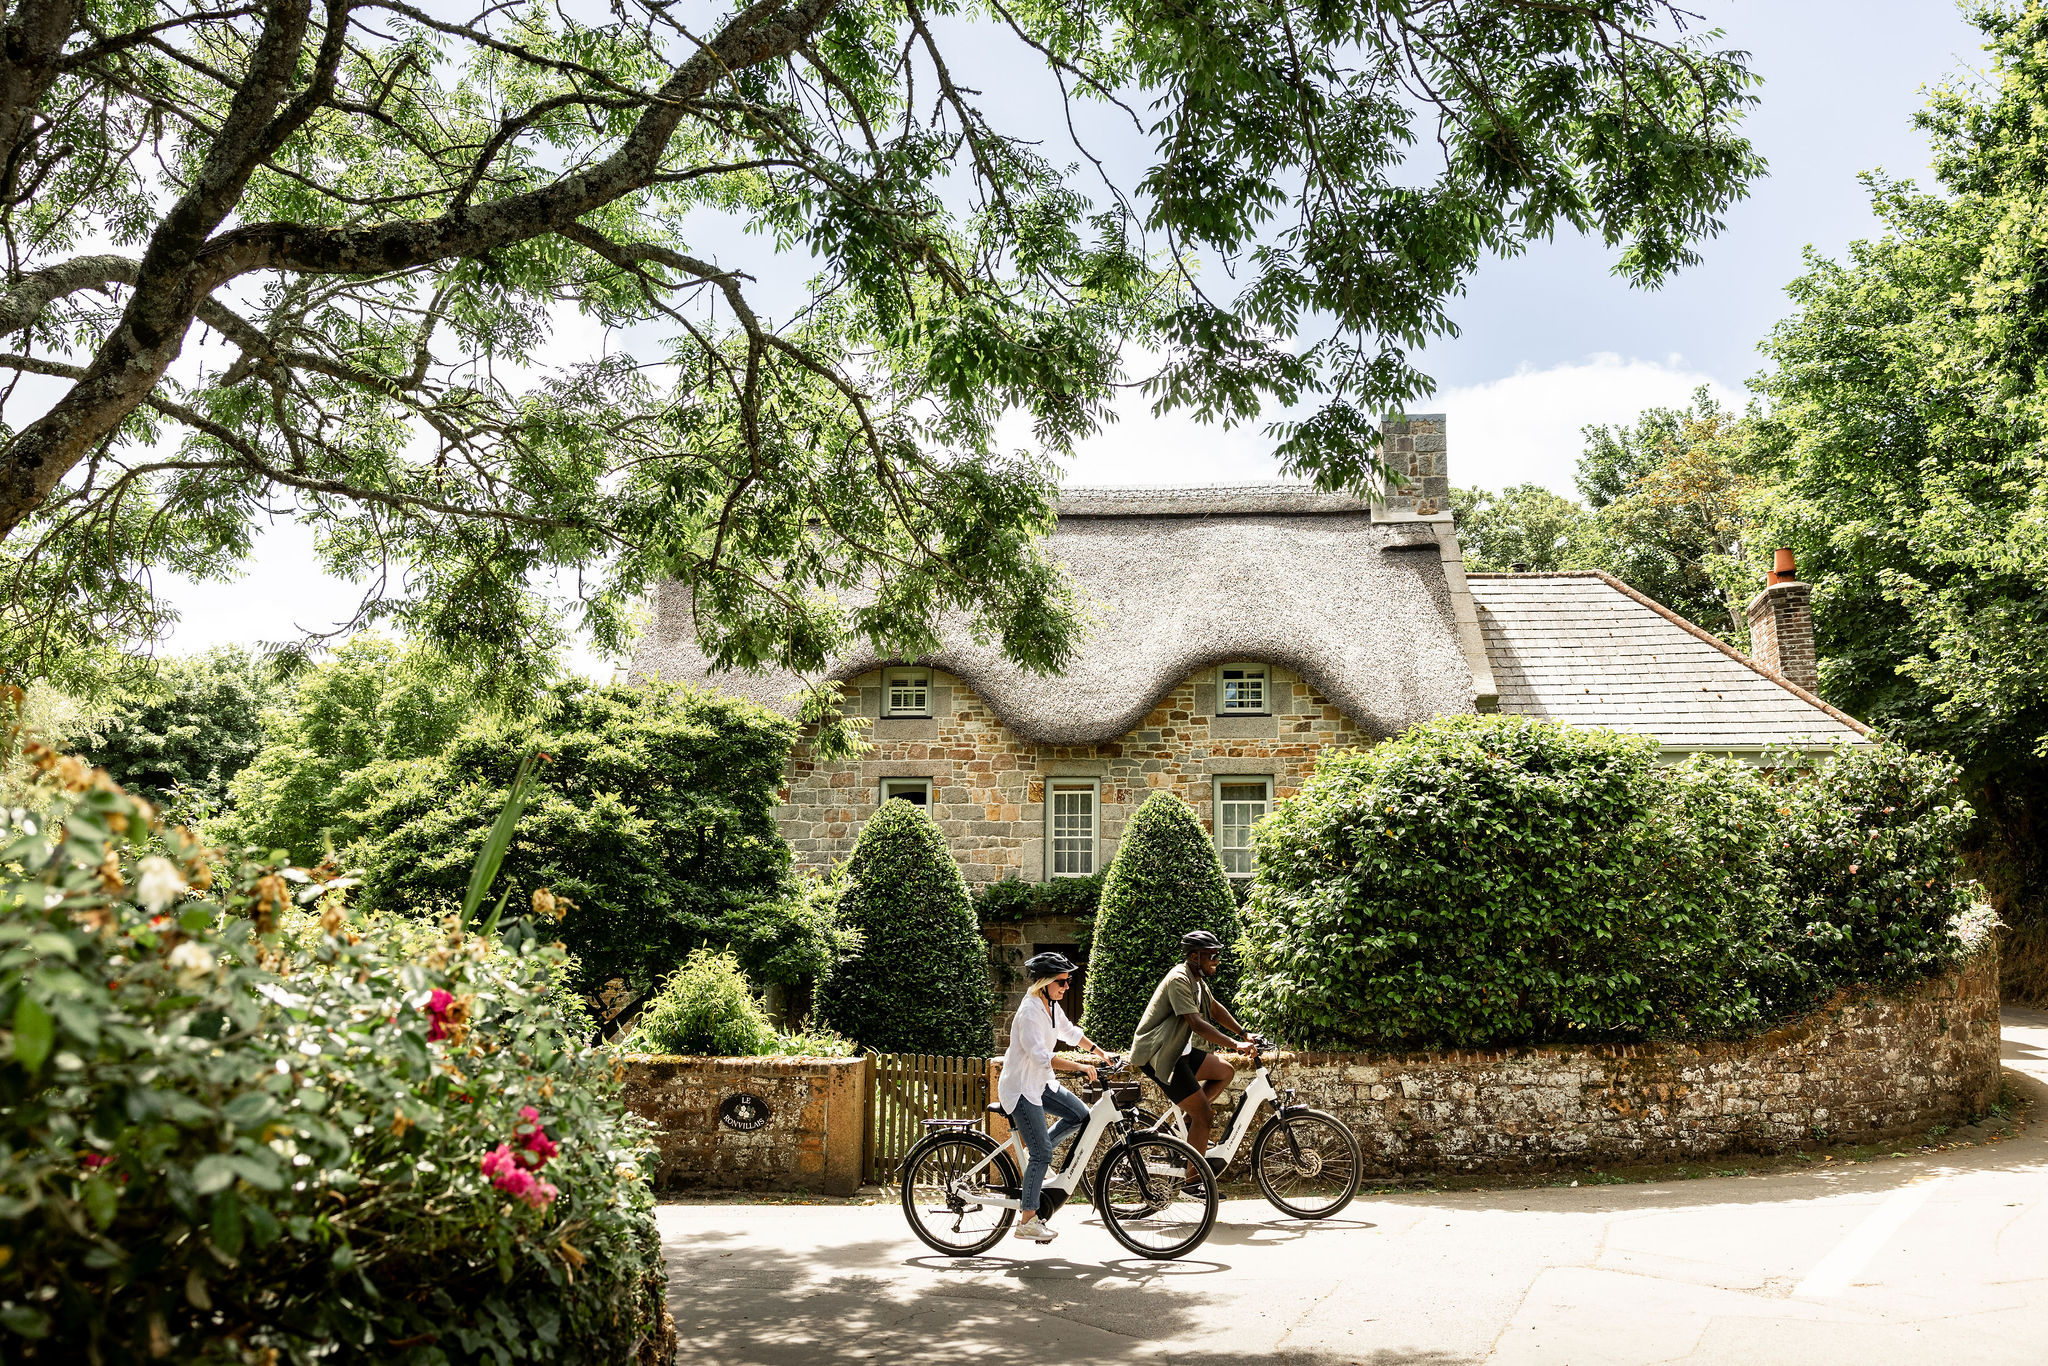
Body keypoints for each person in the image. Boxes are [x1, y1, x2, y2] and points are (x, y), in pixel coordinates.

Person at [998, 951, 1109, 1243]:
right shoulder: (1030, 1012)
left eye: (1068, 980)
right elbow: (1042, 1057)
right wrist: (1081, 1067)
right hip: (1021, 1088)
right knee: (1042, 1152)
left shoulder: (1050, 1006)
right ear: (1044, 982)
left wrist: (1099, 1053)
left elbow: (1070, 1032)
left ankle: (1040, 1158)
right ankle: (1027, 1221)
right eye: (1062, 981)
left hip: (1041, 1083)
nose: (1067, 986)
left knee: (1081, 1116)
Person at [1130, 929, 1254, 1171]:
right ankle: (1192, 1181)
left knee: (1225, 1071)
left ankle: (1187, 1126)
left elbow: (1214, 1009)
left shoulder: (1197, 981)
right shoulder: (1179, 979)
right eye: (1212, 956)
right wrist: (1235, 1045)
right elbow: (1196, 1023)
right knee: (1205, 1116)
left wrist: (1244, 1033)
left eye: (1217, 955)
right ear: (1195, 957)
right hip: (1160, 1056)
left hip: (1179, 1051)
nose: (1216, 961)